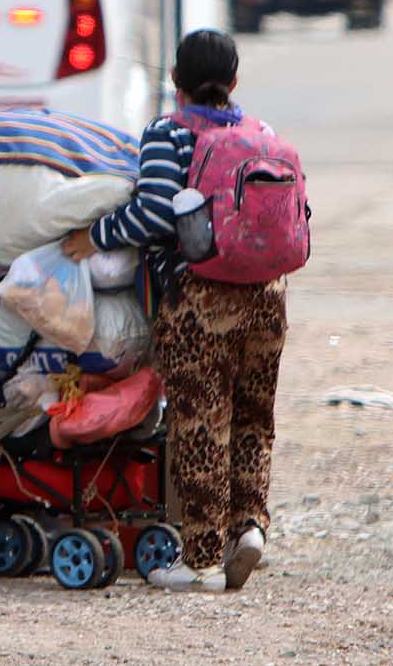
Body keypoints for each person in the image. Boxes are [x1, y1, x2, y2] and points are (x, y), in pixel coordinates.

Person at [62, 29, 287, 593]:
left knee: (200, 422)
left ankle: (202, 559)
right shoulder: (260, 134)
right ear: (234, 82)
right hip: (268, 294)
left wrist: (95, 237)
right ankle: (249, 527)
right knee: (253, 419)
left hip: (199, 300)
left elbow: (153, 214)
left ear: (174, 81)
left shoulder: (168, 132)